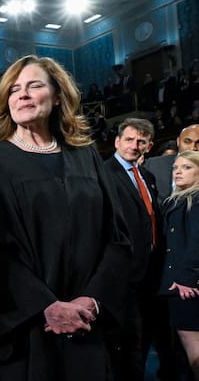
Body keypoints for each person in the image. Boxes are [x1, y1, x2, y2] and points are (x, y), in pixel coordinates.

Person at [0, 55, 131, 380]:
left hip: (88, 326)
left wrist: (93, 299)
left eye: (34, 86)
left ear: (58, 95)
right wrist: (46, 305)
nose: (23, 95)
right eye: (14, 89)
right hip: (24, 331)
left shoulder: (86, 157)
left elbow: (118, 238)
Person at [104, 118, 175, 380]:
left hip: (153, 273)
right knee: (128, 344)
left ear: (149, 145)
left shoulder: (146, 175)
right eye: (130, 139)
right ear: (117, 141)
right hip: (125, 274)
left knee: (154, 336)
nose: (134, 145)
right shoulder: (104, 174)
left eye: (141, 141)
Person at [160, 150, 199, 381]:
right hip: (185, 283)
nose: (178, 172)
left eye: (186, 167)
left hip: (187, 287)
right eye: (175, 168)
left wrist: (187, 278)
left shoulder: (195, 200)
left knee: (193, 344)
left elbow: (197, 241)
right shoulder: (181, 199)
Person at [144, 124, 199, 207]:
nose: (193, 148)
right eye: (187, 141)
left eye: (198, 143)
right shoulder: (153, 164)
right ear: (178, 141)